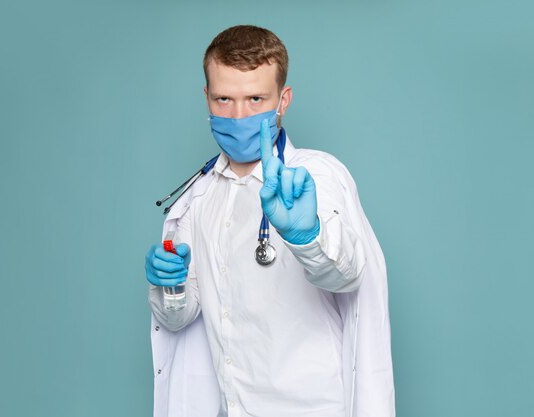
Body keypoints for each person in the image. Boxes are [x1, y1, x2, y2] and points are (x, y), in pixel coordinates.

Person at [145, 25, 394, 417]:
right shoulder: (197, 198)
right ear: (206, 98)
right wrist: (169, 287)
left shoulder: (315, 175)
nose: (238, 115)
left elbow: (346, 273)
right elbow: (180, 320)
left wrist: (307, 235)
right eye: (224, 99)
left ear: (283, 100)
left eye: (255, 99)